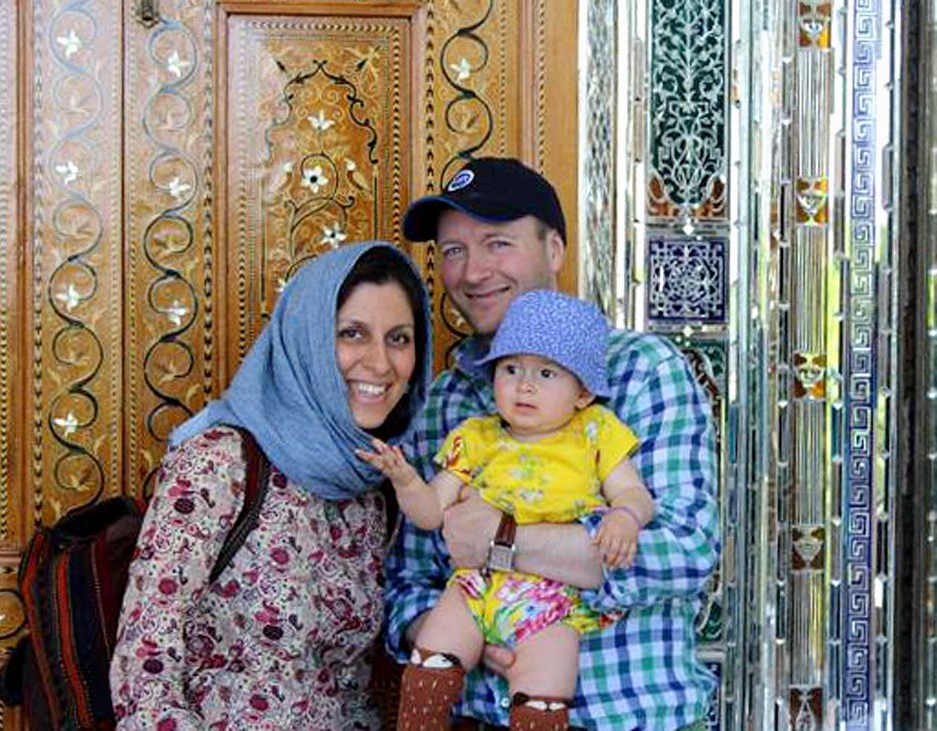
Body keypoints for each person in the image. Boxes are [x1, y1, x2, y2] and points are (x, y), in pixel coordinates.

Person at [385, 157, 720, 731]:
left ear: (556, 251)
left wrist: (504, 543)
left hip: (627, 719)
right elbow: (409, 582)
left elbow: (685, 553)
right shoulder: (447, 400)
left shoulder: (639, 371)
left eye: (497, 243)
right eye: (453, 251)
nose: (472, 271)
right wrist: (466, 634)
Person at [109, 242, 432, 730]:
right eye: (352, 334)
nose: (381, 363)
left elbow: (346, 685)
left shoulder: (374, 485)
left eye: (400, 339)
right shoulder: (222, 460)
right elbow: (146, 658)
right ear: (306, 338)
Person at [359, 289, 655, 730]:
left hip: (552, 598)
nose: (525, 384)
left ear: (582, 392)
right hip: (477, 585)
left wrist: (623, 517)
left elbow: (635, 494)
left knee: (547, 684)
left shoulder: (596, 432)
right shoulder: (476, 437)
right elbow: (430, 515)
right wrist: (405, 480)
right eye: (510, 368)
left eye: (547, 373)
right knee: (434, 654)